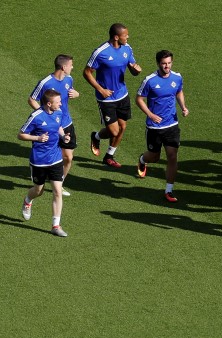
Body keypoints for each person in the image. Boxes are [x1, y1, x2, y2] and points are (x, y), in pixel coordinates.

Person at [84, 23, 142, 168]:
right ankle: (96, 136)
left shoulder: (127, 49)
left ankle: (109, 156)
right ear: (116, 37)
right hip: (106, 97)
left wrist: (137, 70)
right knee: (113, 130)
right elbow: (86, 72)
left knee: (122, 127)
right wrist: (101, 89)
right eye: (125, 35)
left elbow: (132, 68)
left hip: (122, 94)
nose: (128, 37)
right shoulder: (101, 52)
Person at [135, 50, 189, 202]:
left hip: (172, 124)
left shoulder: (177, 77)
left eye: (169, 63)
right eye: (164, 63)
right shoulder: (150, 80)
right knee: (155, 157)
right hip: (154, 127)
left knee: (172, 156)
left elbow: (179, 92)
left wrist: (183, 106)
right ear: (158, 63)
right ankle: (142, 160)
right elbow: (139, 99)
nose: (167, 66)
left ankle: (169, 190)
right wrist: (150, 114)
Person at [18, 89, 71, 237]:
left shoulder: (59, 112)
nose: (61, 104)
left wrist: (63, 136)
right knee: (38, 191)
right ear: (49, 103)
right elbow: (21, 135)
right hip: (39, 161)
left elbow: (58, 126)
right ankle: (28, 200)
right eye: (58, 102)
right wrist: (38, 139)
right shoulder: (36, 117)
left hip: (55, 159)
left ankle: (55, 226)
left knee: (57, 191)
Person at [29, 55, 79, 196]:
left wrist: (76, 94)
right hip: (51, 127)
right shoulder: (45, 82)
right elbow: (32, 99)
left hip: (66, 123)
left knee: (68, 158)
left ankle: (59, 183)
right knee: (55, 154)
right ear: (63, 67)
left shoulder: (69, 79)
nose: (72, 67)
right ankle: (44, 182)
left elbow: (69, 93)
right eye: (71, 65)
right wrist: (44, 115)